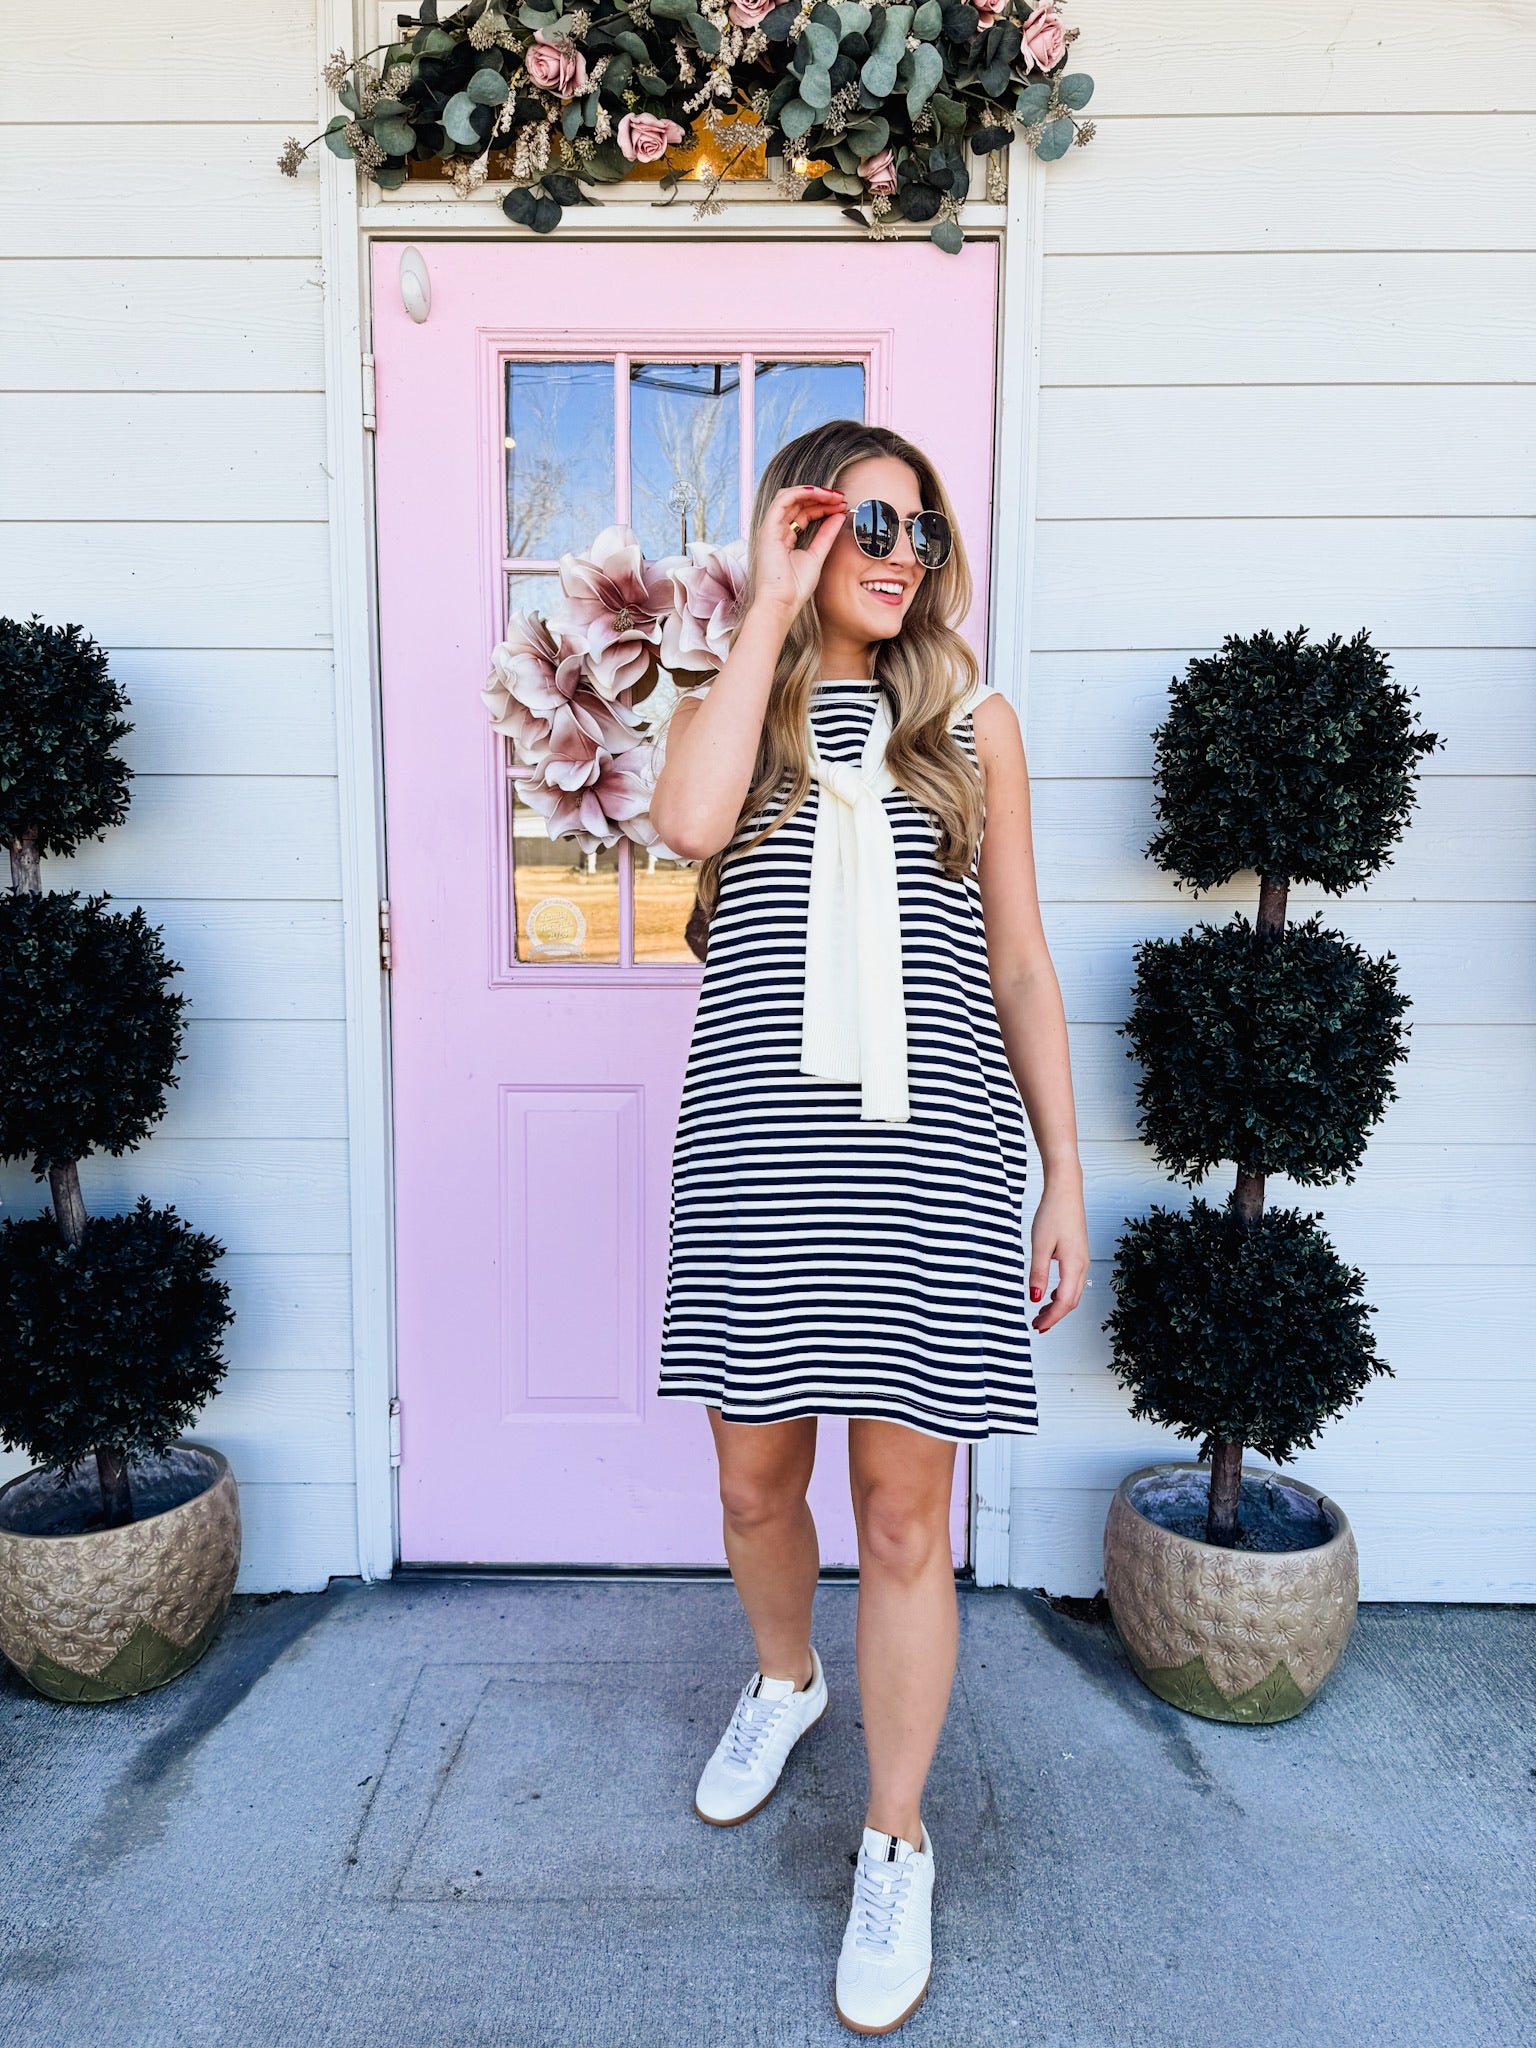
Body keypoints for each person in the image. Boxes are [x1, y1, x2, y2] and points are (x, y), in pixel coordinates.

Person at [649, 419, 1089, 2035]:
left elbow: (1020, 959)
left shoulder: (975, 723)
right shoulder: (733, 708)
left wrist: (1065, 1169)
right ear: (808, 531)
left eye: (924, 531)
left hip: (935, 1168)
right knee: (754, 1482)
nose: (904, 556)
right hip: (760, 1165)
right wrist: (765, 606)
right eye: (871, 526)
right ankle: (786, 1679)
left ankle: (895, 1840)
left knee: (905, 1522)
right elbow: (686, 828)